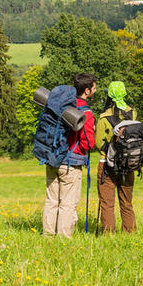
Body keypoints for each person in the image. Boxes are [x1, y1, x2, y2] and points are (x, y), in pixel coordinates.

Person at [42, 73, 96, 237]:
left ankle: (48, 235)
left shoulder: (61, 106)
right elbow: (88, 144)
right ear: (86, 91)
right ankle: (63, 238)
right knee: (67, 202)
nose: (95, 90)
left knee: (52, 200)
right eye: (94, 87)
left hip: (52, 158)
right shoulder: (85, 113)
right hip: (71, 163)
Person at [94, 81, 138, 233]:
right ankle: (130, 232)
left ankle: (109, 235)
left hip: (107, 163)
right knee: (126, 202)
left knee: (107, 203)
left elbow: (99, 143)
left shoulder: (104, 117)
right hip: (128, 163)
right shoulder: (132, 113)